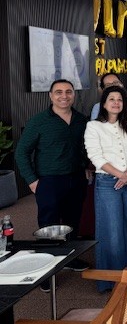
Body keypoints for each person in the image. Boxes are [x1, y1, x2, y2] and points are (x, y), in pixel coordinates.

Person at [15, 79, 90, 277]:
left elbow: (85, 148)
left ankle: (70, 258)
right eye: (59, 92)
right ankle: (47, 271)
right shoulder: (39, 121)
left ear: (74, 94)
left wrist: (85, 166)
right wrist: (31, 180)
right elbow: (21, 152)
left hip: (76, 179)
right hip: (49, 181)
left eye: (68, 92)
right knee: (49, 226)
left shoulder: (81, 120)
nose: (64, 96)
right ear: (50, 96)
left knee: (73, 222)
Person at [84, 85, 127, 292]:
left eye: (119, 99)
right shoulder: (94, 126)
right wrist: (120, 175)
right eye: (111, 99)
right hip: (107, 182)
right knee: (112, 231)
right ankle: (113, 281)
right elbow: (95, 156)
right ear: (103, 103)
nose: (116, 103)